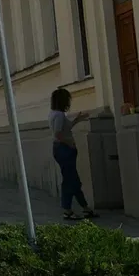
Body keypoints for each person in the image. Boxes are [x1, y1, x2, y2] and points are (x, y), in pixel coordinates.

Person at [49, 87, 97, 220]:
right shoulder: (58, 115)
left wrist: (78, 119)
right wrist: (69, 143)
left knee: (72, 180)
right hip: (64, 149)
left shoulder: (54, 114)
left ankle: (85, 208)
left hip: (61, 149)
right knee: (70, 180)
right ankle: (67, 210)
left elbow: (66, 128)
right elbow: (58, 133)